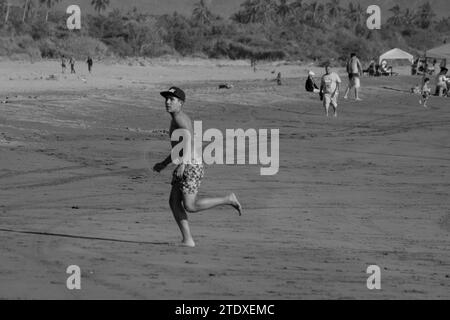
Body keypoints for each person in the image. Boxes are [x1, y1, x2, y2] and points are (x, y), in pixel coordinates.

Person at [153, 86, 242, 247]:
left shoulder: (180, 119)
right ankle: (187, 240)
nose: (167, 102)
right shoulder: (177, 118)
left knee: (190, 206)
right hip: (186, 163)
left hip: (191, 165)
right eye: (166, 99)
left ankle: (228, 199)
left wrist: (183, 165)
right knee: (174, 202)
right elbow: (179, 148)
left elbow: (189, 142)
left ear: (180, 103)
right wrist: (164, 163)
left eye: (171, 99)